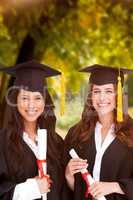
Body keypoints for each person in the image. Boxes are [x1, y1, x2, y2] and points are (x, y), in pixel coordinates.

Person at [63, 64, 133, 200]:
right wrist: (68, 176)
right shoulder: (76, 134)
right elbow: (68, 191)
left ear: (118, 95)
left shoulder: (131, 132)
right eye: (96, 91)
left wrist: (115, 186)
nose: (102, 98)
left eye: (108, 91)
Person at [0, 60, 63, 200]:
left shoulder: (56, 142)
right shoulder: (2, 142)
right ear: (15, 100)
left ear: (45, 101)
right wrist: (31, 189)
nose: (31, 105)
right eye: (24, 98)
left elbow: (63, 190)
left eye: (37, 98)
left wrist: (70, 176)